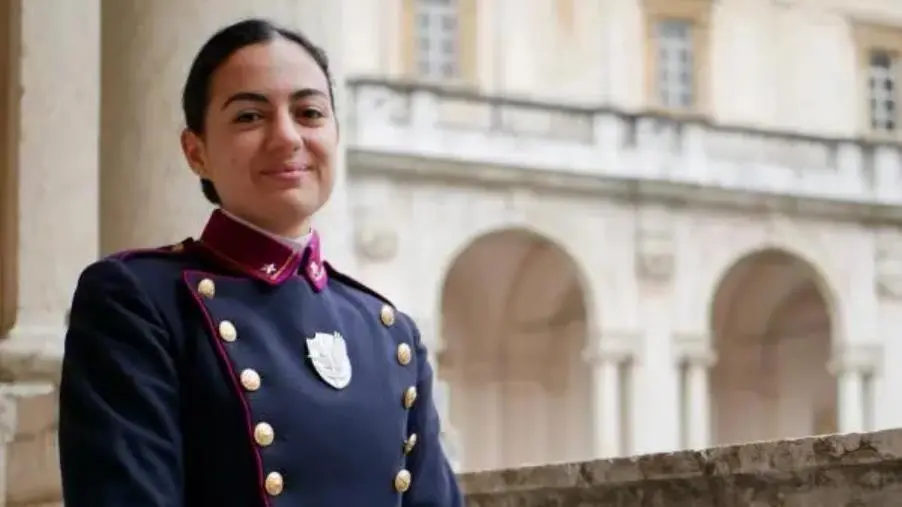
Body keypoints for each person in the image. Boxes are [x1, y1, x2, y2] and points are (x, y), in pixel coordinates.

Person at [58, 18, 463, 507]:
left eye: (310, 112)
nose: (287, 137)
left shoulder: (390, 334)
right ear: (196, 152)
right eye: (250, 116)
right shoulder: (137, 299)